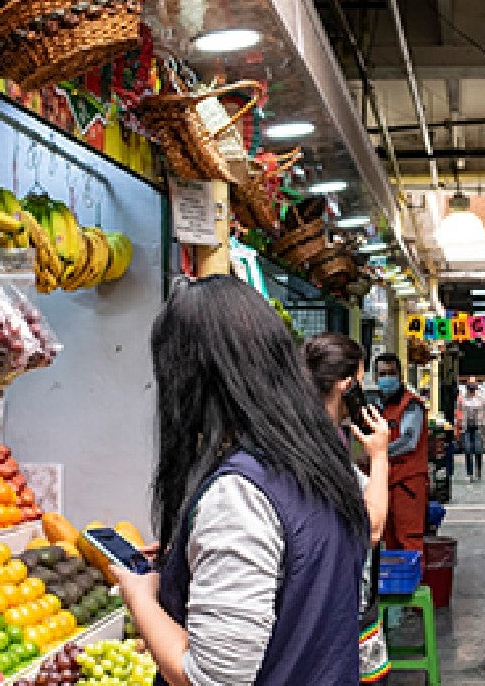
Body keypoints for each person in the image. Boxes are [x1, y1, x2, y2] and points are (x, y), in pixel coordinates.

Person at [113, 275, 368, 685]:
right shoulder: (319, 461)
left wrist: (140, 598)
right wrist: (194, 558)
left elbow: (212, 679)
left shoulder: (240, 495)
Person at [303, 333, 392, 685]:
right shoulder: (324, 443)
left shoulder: (305, 434)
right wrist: (380, 455)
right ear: (347, 385)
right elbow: (371, 528)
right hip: (341, 608)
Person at [375, 353, 429, 553]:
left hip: (408, 484)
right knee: (391, 541)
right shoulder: (385, 406)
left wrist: (378, 452)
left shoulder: (411, 405)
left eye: (391, 373)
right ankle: (397, 583)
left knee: (410, 539)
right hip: (389, 482)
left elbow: (409, 441)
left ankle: (413, 582)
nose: (387, 378)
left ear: (400, 375)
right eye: (382, 374)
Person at [456, 378, 485, 482]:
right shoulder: (462, 398)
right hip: (466, 427)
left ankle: (478, 471)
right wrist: (458, 427)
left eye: (473, 384)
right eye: (470, 384)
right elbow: (458, 412)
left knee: (478, 449)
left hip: (478, 426)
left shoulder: (482, 398)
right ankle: (469, 473)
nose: (471, 387)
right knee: (468, 450)